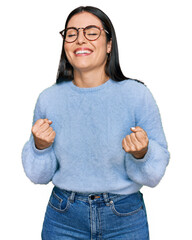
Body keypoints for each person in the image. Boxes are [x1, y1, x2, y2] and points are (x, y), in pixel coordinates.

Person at [22, 6, 170, 240]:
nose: (80, 39)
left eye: (91, 32)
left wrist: (143, 153)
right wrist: (39, 147)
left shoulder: (137, 95)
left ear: (109, 44)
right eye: (71, 34)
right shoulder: (48, 99)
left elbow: (153, 175)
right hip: (63, 217)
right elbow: (39, 176)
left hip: (125, 217)